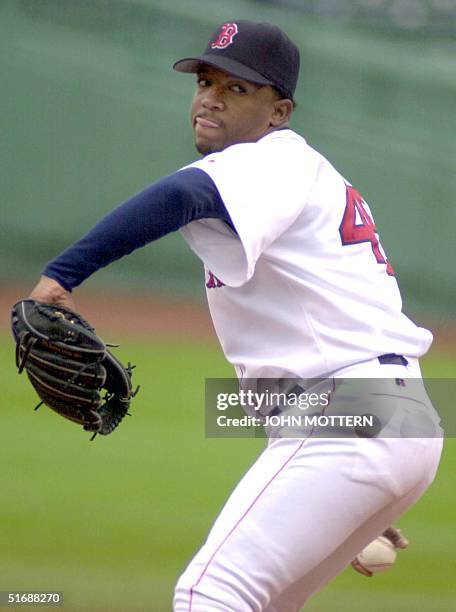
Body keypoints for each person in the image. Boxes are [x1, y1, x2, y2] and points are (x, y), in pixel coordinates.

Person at [27, 20, 442, 612]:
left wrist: (61, 276)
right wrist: (350, 497)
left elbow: (178, 197)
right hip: (391, 417)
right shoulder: (295, 176)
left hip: (350, 414)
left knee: (209, 594)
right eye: (206, 80)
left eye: (238, 88)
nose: (211, 97)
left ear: (279, 112)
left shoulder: (270, 162)